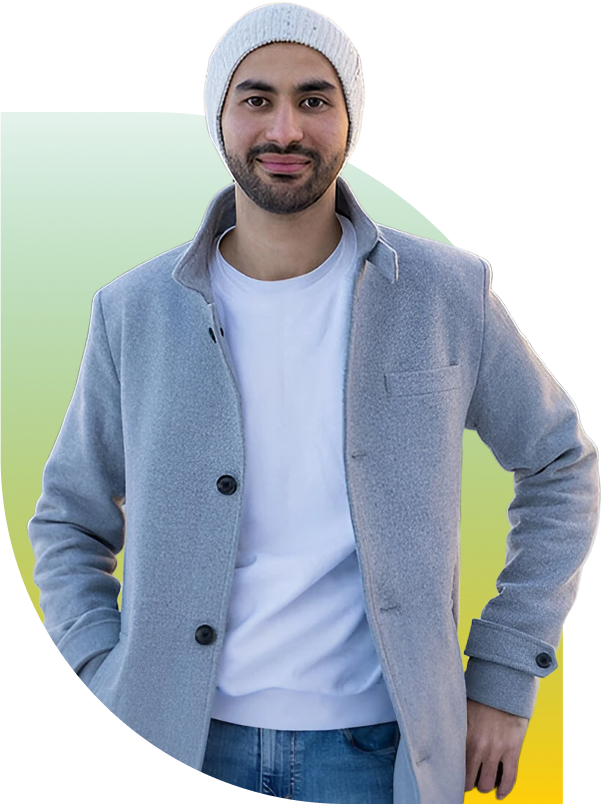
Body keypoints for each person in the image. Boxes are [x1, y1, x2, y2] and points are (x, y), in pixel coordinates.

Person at [27, 4, 599, 803]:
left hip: (380, 753)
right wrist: (99, 668)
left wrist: (505, 670)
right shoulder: (133, 310)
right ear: (219, 118)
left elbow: (560, 464)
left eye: (314, 99)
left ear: (349, 119)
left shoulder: (446, 292)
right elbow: (68, 517)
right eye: (256, 99)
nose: (285, 129)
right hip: (179, 734)